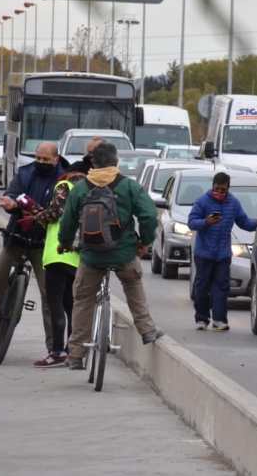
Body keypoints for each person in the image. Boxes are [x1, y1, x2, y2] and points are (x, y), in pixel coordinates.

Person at [58, 142, 163, 370]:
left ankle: (75, 354)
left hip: (92, 256)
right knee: (133, 285)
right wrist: (144, 242)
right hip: (123, 253)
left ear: (92, 163)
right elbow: (148, 216)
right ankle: (147, 330)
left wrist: (64, 244)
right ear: (116, 162)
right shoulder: (129, 187)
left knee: (83, 299)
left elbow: (67, 223)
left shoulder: (81, 188)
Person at [0, 142, 65, 353]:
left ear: (56, 159)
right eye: (38, 158)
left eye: (46, 159)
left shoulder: (63, 180)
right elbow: (12, 194)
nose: (41, 163)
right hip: (16, 238)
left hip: (43, 245)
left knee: (49, 293)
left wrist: (37, 212)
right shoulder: (25, 173)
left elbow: (58, 210)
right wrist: (10, 203)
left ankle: (54, 346)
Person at [187, 171, 257, 331]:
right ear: (212, 186)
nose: (219, 193)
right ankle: (202, 318)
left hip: (223, 255)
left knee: (221, 288)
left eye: (223, 190)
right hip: (204, 254)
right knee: (202, 287)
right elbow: (192, 223)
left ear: (228, 188)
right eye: (217, 189)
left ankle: (219, 320)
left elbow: (245, 222)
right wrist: (206, 222)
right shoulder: (202, 202)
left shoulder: (233, 203)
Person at [29, 165, 86, 368]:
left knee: (55, 307)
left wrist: (37, 216)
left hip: (57, 254)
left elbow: (55, 212)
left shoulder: (64, 185)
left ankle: (56, 352)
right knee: (71, 306)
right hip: (77, 258)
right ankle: (72, 351)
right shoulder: (87, 191)